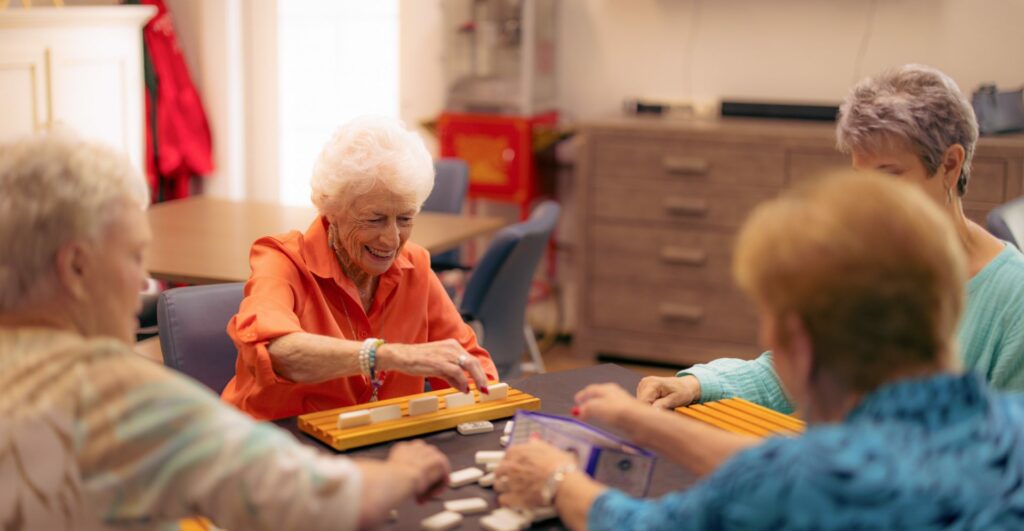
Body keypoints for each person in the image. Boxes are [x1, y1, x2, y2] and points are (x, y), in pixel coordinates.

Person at [495, 171, 1024, 530]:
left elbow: (646, 524)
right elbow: (797, 466)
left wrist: (557, 479)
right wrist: (647, 424)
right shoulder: (1011, 428)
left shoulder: (795, 483)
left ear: (799, 340)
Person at [0, 132, 450, 530]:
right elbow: (318, 502)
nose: (142, 284)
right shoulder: (120, 398)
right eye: (134, 256)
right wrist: (405, 473)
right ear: (76, 268)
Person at [638, 64, 1024, 415]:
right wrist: (697, 384)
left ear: (950, 165)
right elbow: (804, 368)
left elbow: (1005, 465)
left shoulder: (1013, 300)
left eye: (889, 176)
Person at [222, 116, 498, 420]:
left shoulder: (414, 265)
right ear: (332, 209)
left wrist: (489, 407)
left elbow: (470, 366)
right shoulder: (282, 260)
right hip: (280, 447)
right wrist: (387, 356)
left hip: (375, 445)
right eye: (374, 219)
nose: (392, 239)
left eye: (405, 218)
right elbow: (275, 352)